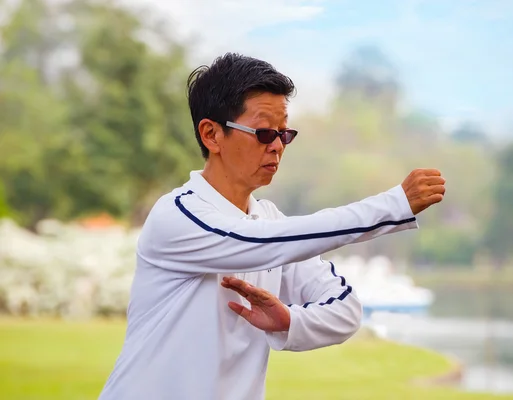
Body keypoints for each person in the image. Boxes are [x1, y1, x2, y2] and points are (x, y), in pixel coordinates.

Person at [98, 53, 445, 400]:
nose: (277, 146)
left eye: (284, 134)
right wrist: (394, 205)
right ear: (211, 134)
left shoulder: (270, 223)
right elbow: (262, 242)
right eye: (264, 133)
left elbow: (345, 309)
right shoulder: (177, 216)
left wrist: (289, 322)